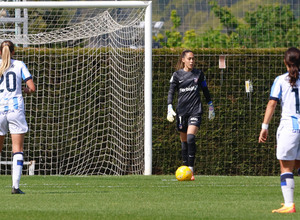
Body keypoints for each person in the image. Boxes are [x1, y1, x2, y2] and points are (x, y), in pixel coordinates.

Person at [259, 47, 300, 213]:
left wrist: (264, 127)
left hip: (290, 128)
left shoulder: (281, 79)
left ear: (285, 62)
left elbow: (272, 103)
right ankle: (288, 204)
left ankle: (289, 204)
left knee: (286, 167)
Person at [167, 50, 215, 180]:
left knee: (190, 139)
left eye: (193, 59)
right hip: (182, 112)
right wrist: (169, 106)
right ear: (183, 60)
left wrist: (210, 105)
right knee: (183, 142)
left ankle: (191, 170)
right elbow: (171, 91)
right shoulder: (177, 75)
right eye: (189, 59)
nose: (192, 61)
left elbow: (205, 90)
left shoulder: (199, 74)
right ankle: (185, 168)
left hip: (195, 110)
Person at [0, 40, 36, 194]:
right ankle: (15, 187)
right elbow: (32, 88)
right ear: (13, 52)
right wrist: (24, 91)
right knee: (17, 149)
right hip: (16, 110)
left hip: (0, 109)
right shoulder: (20, 64)